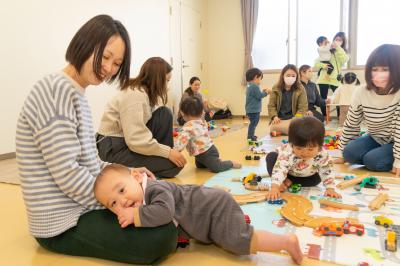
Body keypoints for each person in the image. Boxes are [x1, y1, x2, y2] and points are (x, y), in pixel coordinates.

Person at [15, 15, 178, 264]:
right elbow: (69, 174)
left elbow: (91, 163)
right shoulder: (56, 89)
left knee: (160, 208)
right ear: (85, 43)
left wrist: (128, 172)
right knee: (163, 234)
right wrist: (118, 201)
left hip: (79, 205)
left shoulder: (76, 93)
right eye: (105, 56)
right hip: (61, 222)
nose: (109, 68)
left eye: (117, 63)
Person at [94, 164, 304, 265]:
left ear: (137, 176)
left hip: (214, 209)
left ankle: (286, 242)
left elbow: (165, 213)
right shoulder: (145, 192)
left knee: (240, 241)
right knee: (236, 234)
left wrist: (134, 216)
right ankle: (241, 222)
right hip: (210, 211)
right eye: (113, 203)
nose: (122, 201)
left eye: (122, 190)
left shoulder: (154, 189)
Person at [96, 57, 186, 178]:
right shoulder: (136, 95)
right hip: (114, 149)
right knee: (174, 165)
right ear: (157, 80)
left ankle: (158, 161)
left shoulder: (144, 93)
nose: (167, 86)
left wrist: (167, 152)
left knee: (164, 113)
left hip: (125, 142)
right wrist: (168, 152)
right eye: (167, 81)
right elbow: (135, 140)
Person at [336, 44, 400, 177]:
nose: (378, 74)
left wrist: (398, 162)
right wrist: (341, 153)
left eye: (385, 69)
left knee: (373, 161)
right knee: (349, 153)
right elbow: (351, 122)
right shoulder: (361, 91)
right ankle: (379, 154)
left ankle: (381, 156)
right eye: (374, 69)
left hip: (396, 140)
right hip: (376, 137)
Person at [266, 117, 341, 201]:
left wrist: (330, 189)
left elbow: (327, 170)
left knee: (317, 179)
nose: (305, 153)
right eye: (299, 148)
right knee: (271, 157)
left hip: (306, 175)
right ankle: (284, 181)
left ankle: (289, 182)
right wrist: (275, 187)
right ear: (292, 144)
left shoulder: (322, 154)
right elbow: (280, 168)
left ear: (319, 147)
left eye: (310, 149)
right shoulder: (288, 152)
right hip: (288, 173)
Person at [175, 97, 242, 172]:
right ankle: (208, 162)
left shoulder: (188, 127)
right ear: (201, 113)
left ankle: (231, 163)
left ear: (183, 114)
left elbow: (180, 144)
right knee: (200, 166)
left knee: (217, 167)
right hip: (199, 153)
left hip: (208, 152)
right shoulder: (202, 121)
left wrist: (174, 150)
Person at [315, 32, 349, 118]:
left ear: (343, 42)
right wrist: (324, 66)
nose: (337, 41)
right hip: (324, 78)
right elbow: (316, 62)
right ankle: (325, 117)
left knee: (338, 98)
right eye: (336, 39)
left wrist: (338, 48)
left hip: (336, 80)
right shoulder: (327, 49)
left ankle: (339, 117)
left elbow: (345, 59)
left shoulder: (343, 52)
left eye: (340, 40)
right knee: (323, 99)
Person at [268, 64, 308, 136]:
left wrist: (296, 118)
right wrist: (274, 117)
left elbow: (303, 107)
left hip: (293, 119)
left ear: (296, 77)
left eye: (293, 76)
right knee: (273, 128)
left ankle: (284, 131)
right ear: (283, 76)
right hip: (279, 120)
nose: (291, 77)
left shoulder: (300, 88)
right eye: (288, 75)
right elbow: (271, 105)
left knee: (298, 127)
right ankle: (287, 131)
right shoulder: (276, 87)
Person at [245, 67, 269, 141]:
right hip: (254, 110)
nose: (260, 81)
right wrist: (266, 92)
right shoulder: (254, 86)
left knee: (253, 123)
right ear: (256, 77)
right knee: (253, 124)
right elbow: (260, 96)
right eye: (260, 78)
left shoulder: (249, 85)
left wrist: (262, 91)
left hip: (250, 109)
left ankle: (251, 135)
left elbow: (256, 95)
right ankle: (250, 137)